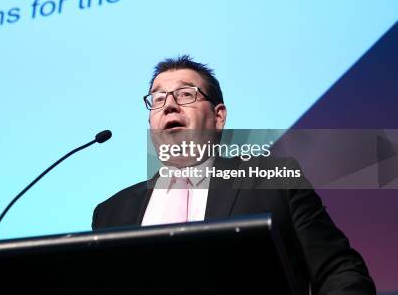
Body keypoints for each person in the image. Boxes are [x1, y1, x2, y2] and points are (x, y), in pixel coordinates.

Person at [92, 55, 375, 294]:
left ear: (218, 117)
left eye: (186, 94)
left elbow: (340, 272)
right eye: (157, 98)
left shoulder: (272, 179)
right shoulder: (111, 213)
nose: (169, 105)